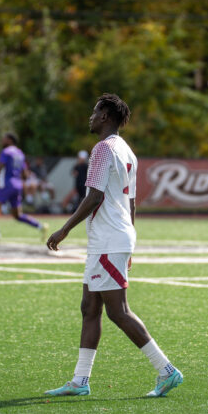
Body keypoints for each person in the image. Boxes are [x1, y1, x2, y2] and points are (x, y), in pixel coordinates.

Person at [45, 93, 183, 398]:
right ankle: (80, 381)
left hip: (108, 239)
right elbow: (131, 203)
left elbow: (94, 197)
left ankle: (166, 370)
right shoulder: (127, 151)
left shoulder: (102, 149)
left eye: (95, 112)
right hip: (112, 238)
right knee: (89, 307)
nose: (91, 117)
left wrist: (64, 229)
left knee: (117, 312)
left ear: (106, 116)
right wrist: (129, 240)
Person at [0, 133, 47, 241]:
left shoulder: (6, 151)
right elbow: (25, 174)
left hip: (8, 184)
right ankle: (41, 226)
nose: (1, 141)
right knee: (17, 215)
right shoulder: (20, 153)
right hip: (18, 186)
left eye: (3, 139)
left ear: (10, 140)